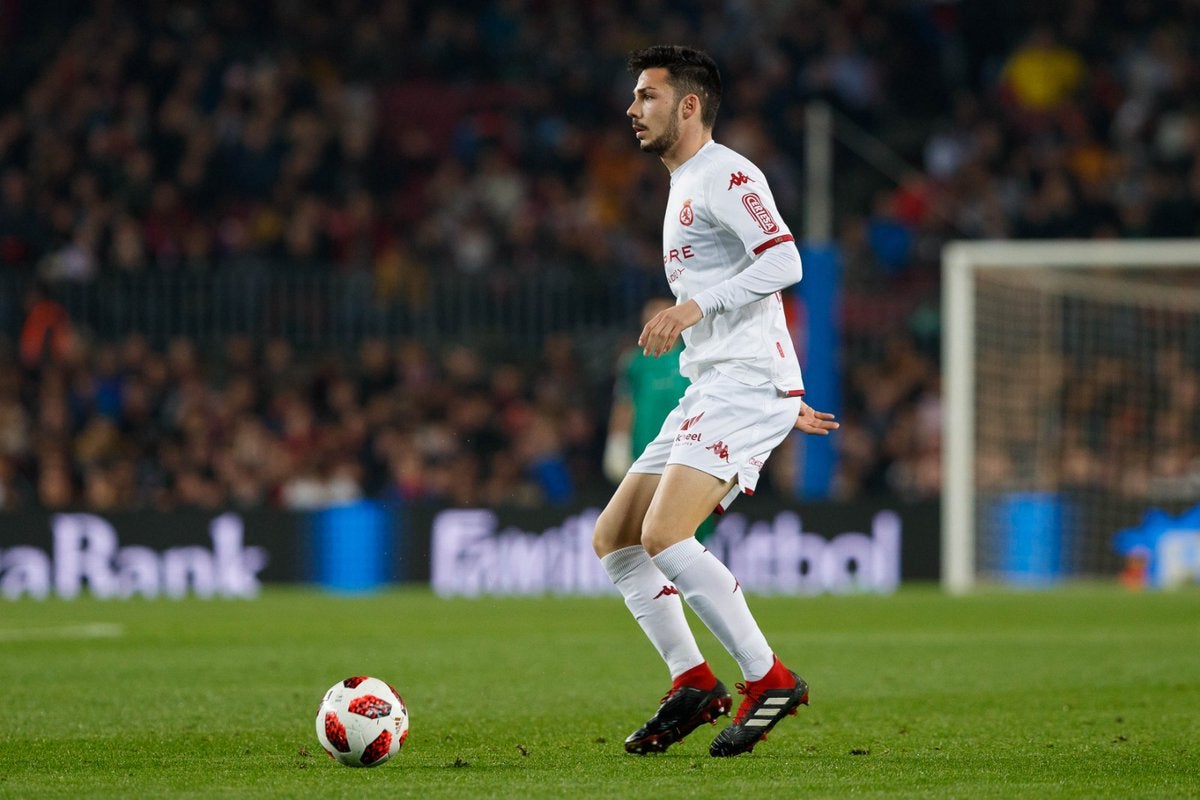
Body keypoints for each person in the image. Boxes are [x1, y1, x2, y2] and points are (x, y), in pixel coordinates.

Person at [592, 45, 839, 758]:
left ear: (689, 105)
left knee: (666, 535)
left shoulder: (725, 172)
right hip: (721, 384)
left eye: (647, 96)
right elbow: (750, 294)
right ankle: (693, 683)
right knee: (616, 539)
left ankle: (770, 679)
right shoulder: (683, 184)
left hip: (739, 384)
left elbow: (785, 259)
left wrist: (694, 309)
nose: (633, 109)